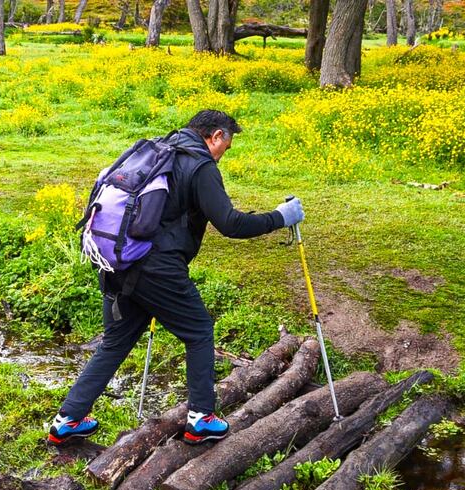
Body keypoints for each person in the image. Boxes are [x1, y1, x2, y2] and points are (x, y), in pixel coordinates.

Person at [48, 110, 305, 446]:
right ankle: (201, 419)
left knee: (115, 342)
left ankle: (68, 419)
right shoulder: (200, 165)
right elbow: (231, 224)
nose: (224, 154)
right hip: (157, 268)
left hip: (118, 262)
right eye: (226, 146)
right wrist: (280, 217)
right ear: (215, 136)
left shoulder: (157, 150)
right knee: (199, 330)